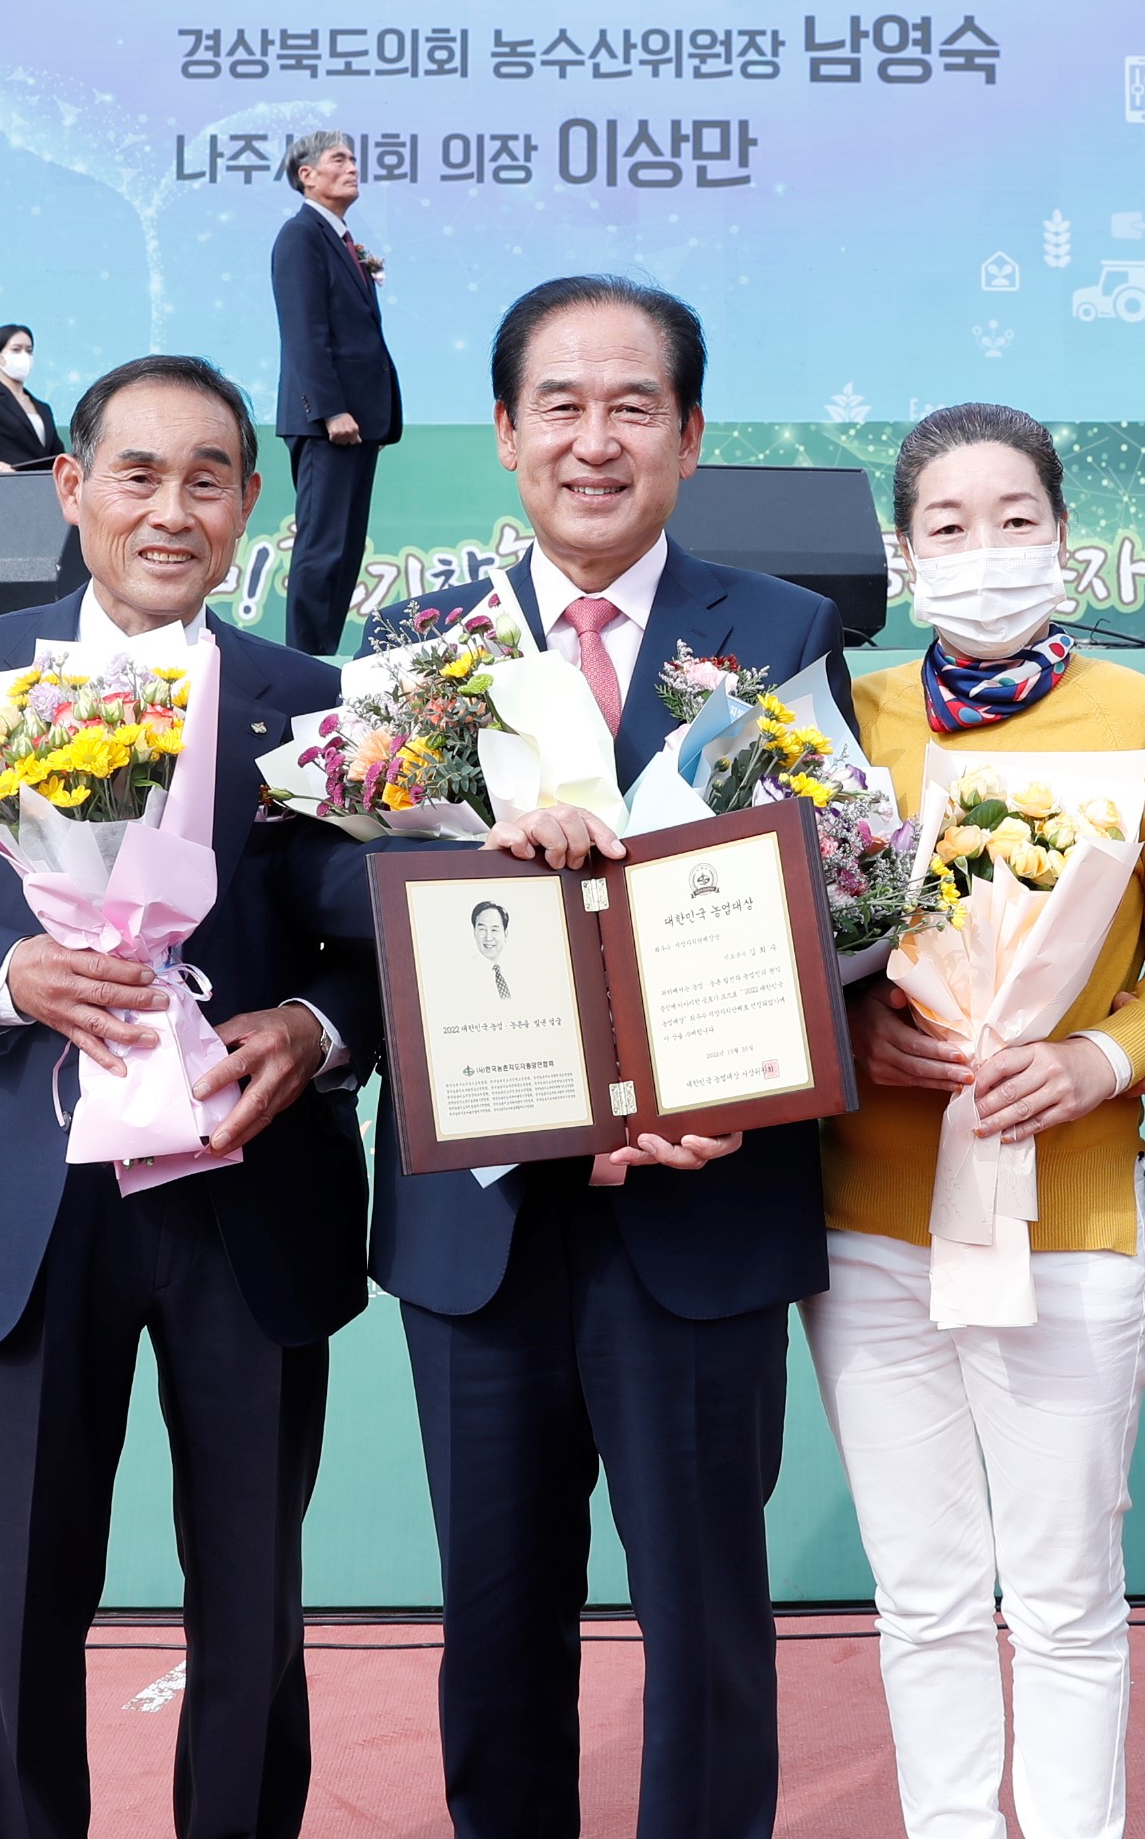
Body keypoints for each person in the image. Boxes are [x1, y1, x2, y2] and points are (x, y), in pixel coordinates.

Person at [0, 355, 381, 1839]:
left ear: (251, 504)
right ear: (70, 489)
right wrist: (13, 971)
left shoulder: (309, 700)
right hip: (25, 1193)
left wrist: (320, 1027)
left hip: (247, 1189)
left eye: (208, 476)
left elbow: (378, 939)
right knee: (18, 1595)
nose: (171, 508)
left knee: (251, 1592)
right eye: (136, 473)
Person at [363, 274, 850, 1839]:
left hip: (700, 1207)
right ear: (503, 434)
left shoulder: (774, 632)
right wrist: (463, 858)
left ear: (691, 436)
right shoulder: (408, 635)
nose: (595, 440)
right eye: (558, 406)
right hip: (485, 1213)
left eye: (632, 405)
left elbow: (855, 898)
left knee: (706, 1620)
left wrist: (729, 1089)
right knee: (494, 1628)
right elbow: (338, 890)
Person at [805, 403, 1145, 1839]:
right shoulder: (847, 720)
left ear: (1060, 533)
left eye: (1014, 520)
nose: (984, 551)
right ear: (904, 550)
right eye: (948, 526)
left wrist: (1098, 1061)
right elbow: (790, 950)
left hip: (1073, 1222)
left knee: (1060, 1596)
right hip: (870, 1224)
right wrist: (851, 1029)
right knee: (921, 1590)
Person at [272, 129, 401, 653]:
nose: (353, 167)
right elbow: (304, 331)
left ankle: (323, 657)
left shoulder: (343, 240)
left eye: (353, 158)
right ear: (307, 175)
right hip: (331, 423)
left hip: (358, 421)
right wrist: (329, 410)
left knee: (346, 550)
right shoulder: (300, 236)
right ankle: (302, 660)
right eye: (339, 159)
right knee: (322, 547)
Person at [0, 322, 64, 472]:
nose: (24, 356)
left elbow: (57, 455)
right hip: (11, 486)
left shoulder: (43, 408)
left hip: (46, 487)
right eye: (16, 350)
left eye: (29, 350)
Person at [469, 899, 514, 999]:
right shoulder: (465, 975)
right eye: (482, 930)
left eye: (494, 930)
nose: (488, 938)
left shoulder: (515, 970)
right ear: (474, 932)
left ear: (506, 934)